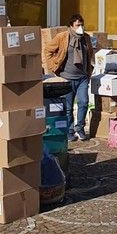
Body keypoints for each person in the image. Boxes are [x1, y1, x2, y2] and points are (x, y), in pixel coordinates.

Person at [43, 14, 95, 142]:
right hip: (67, 77)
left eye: (82, 25)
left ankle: (80, 128)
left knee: (84, 102)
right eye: (78, 25)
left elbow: (90, 54)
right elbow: (48, 50)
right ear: (71, 26)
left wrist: (90, 68)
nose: (80, 27)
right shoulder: (62, 37)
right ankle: (69, 131)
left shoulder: (86, 38)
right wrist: (53, 66)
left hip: (82, 77)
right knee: (68, 107)